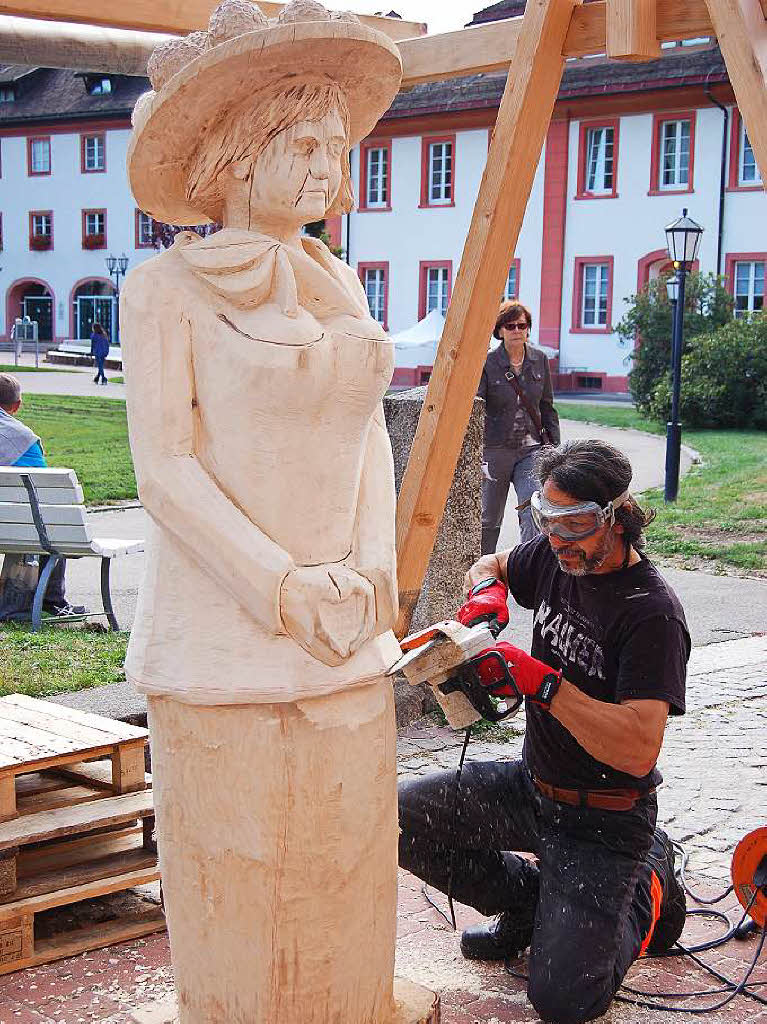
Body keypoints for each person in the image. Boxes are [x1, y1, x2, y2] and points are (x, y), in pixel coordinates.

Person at [399, 439, 690, 1024]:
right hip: (533, 788)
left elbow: (636, 749)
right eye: (546, 521)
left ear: (617, 515)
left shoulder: (650, 613)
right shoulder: (558, 556)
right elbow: (496, 562)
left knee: (564, 1003)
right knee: (398, 818)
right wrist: (485, 595)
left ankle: (649, 884)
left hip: (605, 818)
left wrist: (543, 684)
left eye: (575, 523)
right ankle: (529, 903)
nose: (558, 540)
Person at [0, 372, 86, 618]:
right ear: (16, 406)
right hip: (21, 525)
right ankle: (53, 601)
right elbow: (44, 497)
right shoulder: (24, 438)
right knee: (49, 521)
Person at [479, 299, 560, 555]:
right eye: (510, 325)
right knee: (489, 518)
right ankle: (484, 571)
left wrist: (555, 451)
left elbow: (547, 406)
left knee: (533, 511)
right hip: (495, 450)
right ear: (499, 330)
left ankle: (527, 569)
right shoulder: (488, 363)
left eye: (521, 326)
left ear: (528, 329)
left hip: (531, 451)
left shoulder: (539, 359)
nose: (516, 331)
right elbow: (477, 407)